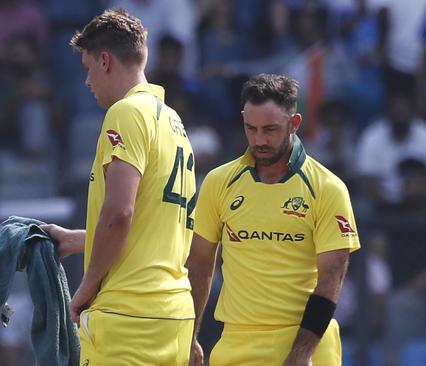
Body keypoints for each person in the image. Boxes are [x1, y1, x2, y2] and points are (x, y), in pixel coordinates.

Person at [41, 8, 197, 365]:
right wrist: (78, 239)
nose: (87, 82)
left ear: (106, 61)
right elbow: (151, 223)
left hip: (129, 314)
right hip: (173, 314)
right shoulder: (172, 121)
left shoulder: (126, 113)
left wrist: (88, 285)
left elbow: (121, 212)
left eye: (88, 68)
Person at [187, 73, 361, 366]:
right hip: (236, 344)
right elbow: (200, 263)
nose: (259, 140)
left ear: (294, 124)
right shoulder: (219, 182)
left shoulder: (328, 188)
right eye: (250, 128)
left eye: (270, 129)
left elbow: (331, 278)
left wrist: (302, 352)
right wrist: (189, 336)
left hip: (307, 345)